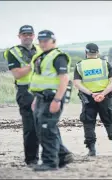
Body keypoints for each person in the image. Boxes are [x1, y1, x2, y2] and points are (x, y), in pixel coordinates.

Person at [29, 30, 74, 171]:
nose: (42, 44)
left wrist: (57, 100)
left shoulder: (58, 56)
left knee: (47, 130)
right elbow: (40, 79)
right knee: (43, 130)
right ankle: (62, 155)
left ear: (53, 41)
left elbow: (64, 79)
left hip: (52, 98)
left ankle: (50, 162)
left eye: (46, 41)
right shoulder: (41, 56)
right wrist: (36, 99)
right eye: (40, 41)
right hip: (41, 98)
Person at [73, 43, 112, 157]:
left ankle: (92, 150)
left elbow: (77, 83)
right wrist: (103, 94)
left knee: (89, 123)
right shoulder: (105, 63)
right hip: (104, 97)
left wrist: (92, 93)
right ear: (97, 53)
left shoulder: (80, 65)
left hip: (88, 98)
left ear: (86, 52)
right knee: (110, 121)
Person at [3, 25, 41, 167]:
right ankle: (31, 159)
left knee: (46, 125)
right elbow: (17, 73)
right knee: (30, 127)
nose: (27, 36)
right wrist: (32, 64)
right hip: (25, 92)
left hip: (43, 91)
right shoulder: (13, 52)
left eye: (30, 34)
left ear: (34, 35)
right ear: (19, 36)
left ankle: (53, 155)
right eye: (24, 34)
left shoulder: (40, 49)